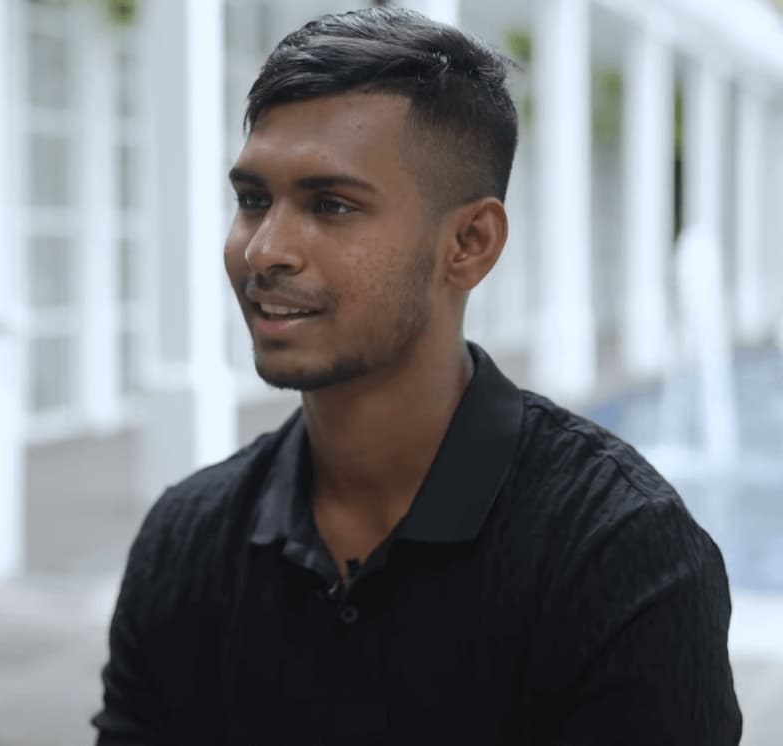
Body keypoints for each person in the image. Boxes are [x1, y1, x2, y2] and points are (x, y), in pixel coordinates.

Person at [93, 7, 742, 744]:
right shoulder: (185, 541)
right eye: (252, 200)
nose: (264, 249)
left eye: (331, 205)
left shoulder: (621, 555)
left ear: (469, 243)